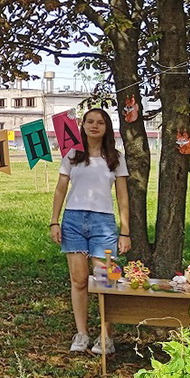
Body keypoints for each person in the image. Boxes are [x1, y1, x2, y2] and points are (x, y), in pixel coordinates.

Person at [49, 108, 130, 356]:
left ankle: (106, 337)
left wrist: (125, 231)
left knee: (106, 281)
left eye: (100, 122)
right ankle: (82, 333)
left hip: (103, 223)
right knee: (79, 280)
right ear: (82, 125)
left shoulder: (115, 158)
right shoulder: (72, 155)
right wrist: (54, 221)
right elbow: (61, 190)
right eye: (90, 121)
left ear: (107, 128)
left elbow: (123, 195)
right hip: (73, 220)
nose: (95, 126)